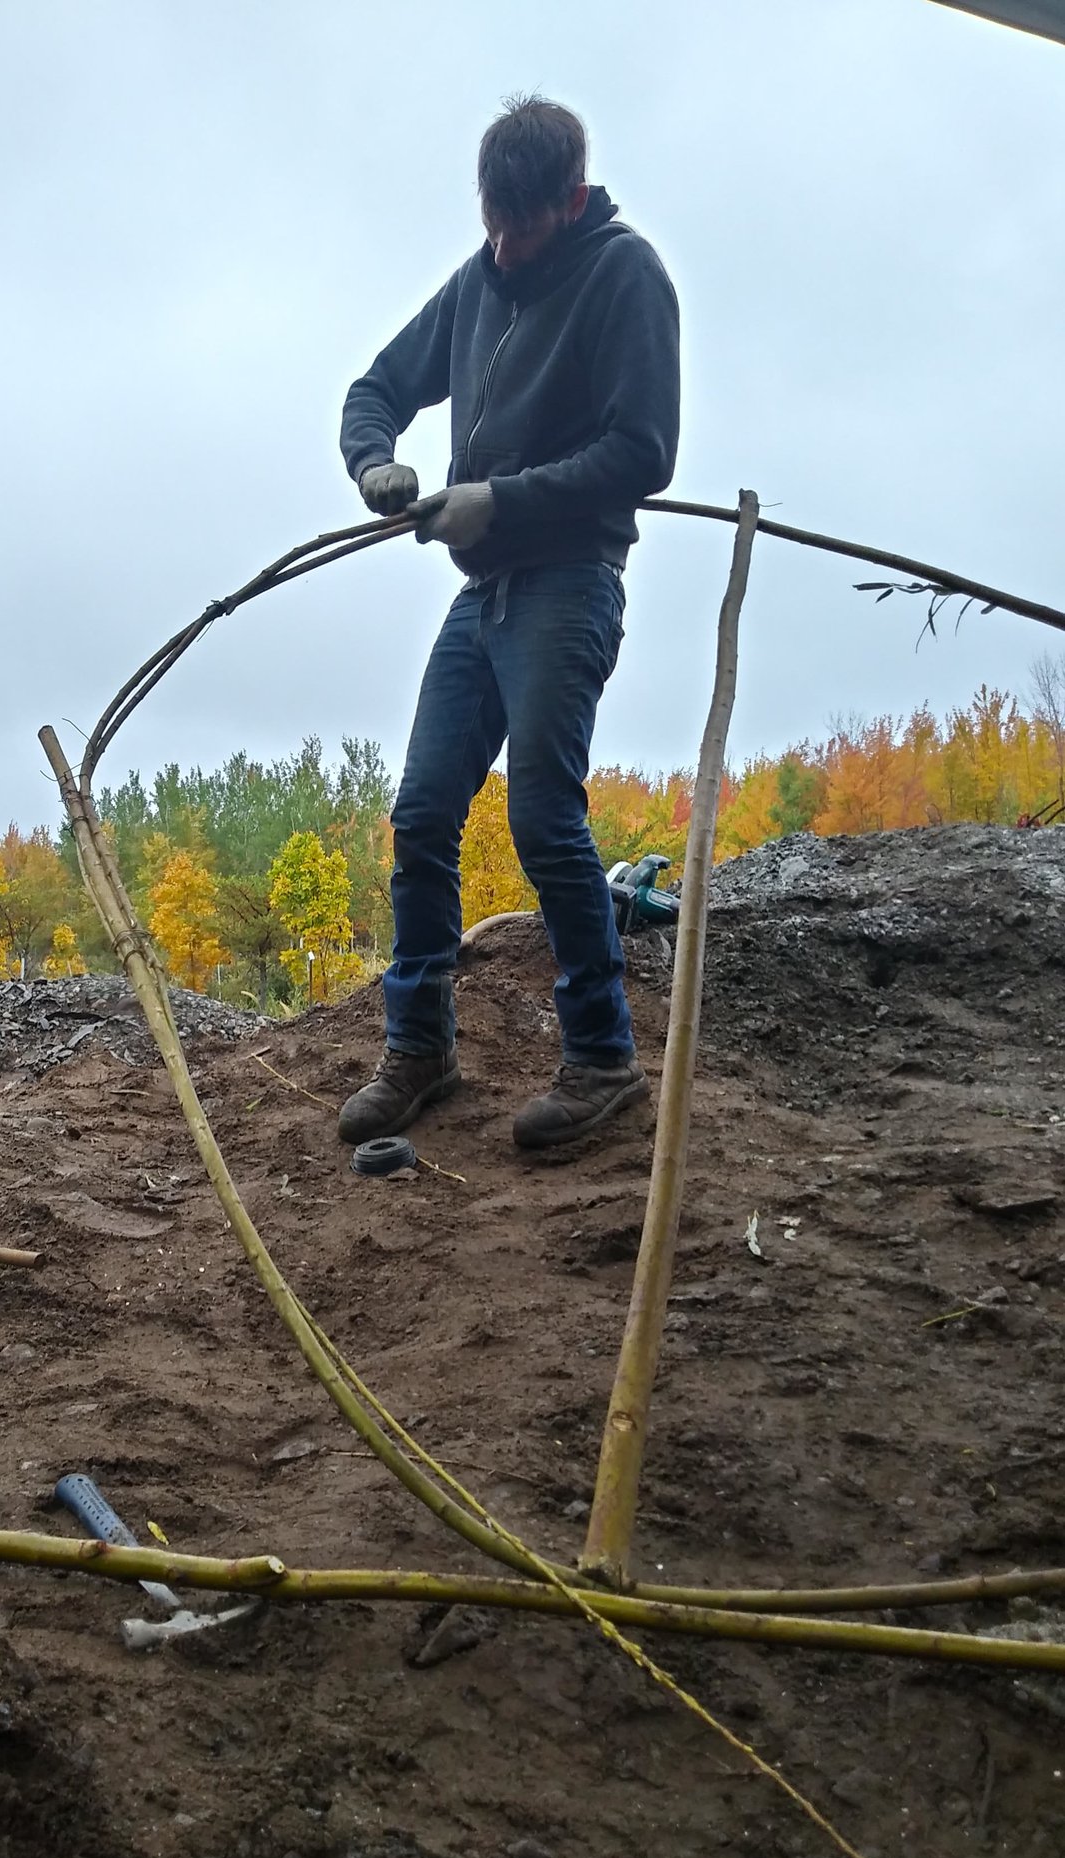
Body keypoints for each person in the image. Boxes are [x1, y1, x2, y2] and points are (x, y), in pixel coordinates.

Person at [337, 94, 680, 1151]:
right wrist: (378, 462)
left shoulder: (625, 275)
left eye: (520, 226)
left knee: (541, 809)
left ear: (569, 202)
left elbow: (644, 452)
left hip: (570, 578)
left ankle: (601, 1058)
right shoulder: (480, 281)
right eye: (490, 222)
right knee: (424, 807)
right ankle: (422, 1045)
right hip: (480, 595)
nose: (502, 245)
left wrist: (505, 497)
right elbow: (374, 386)